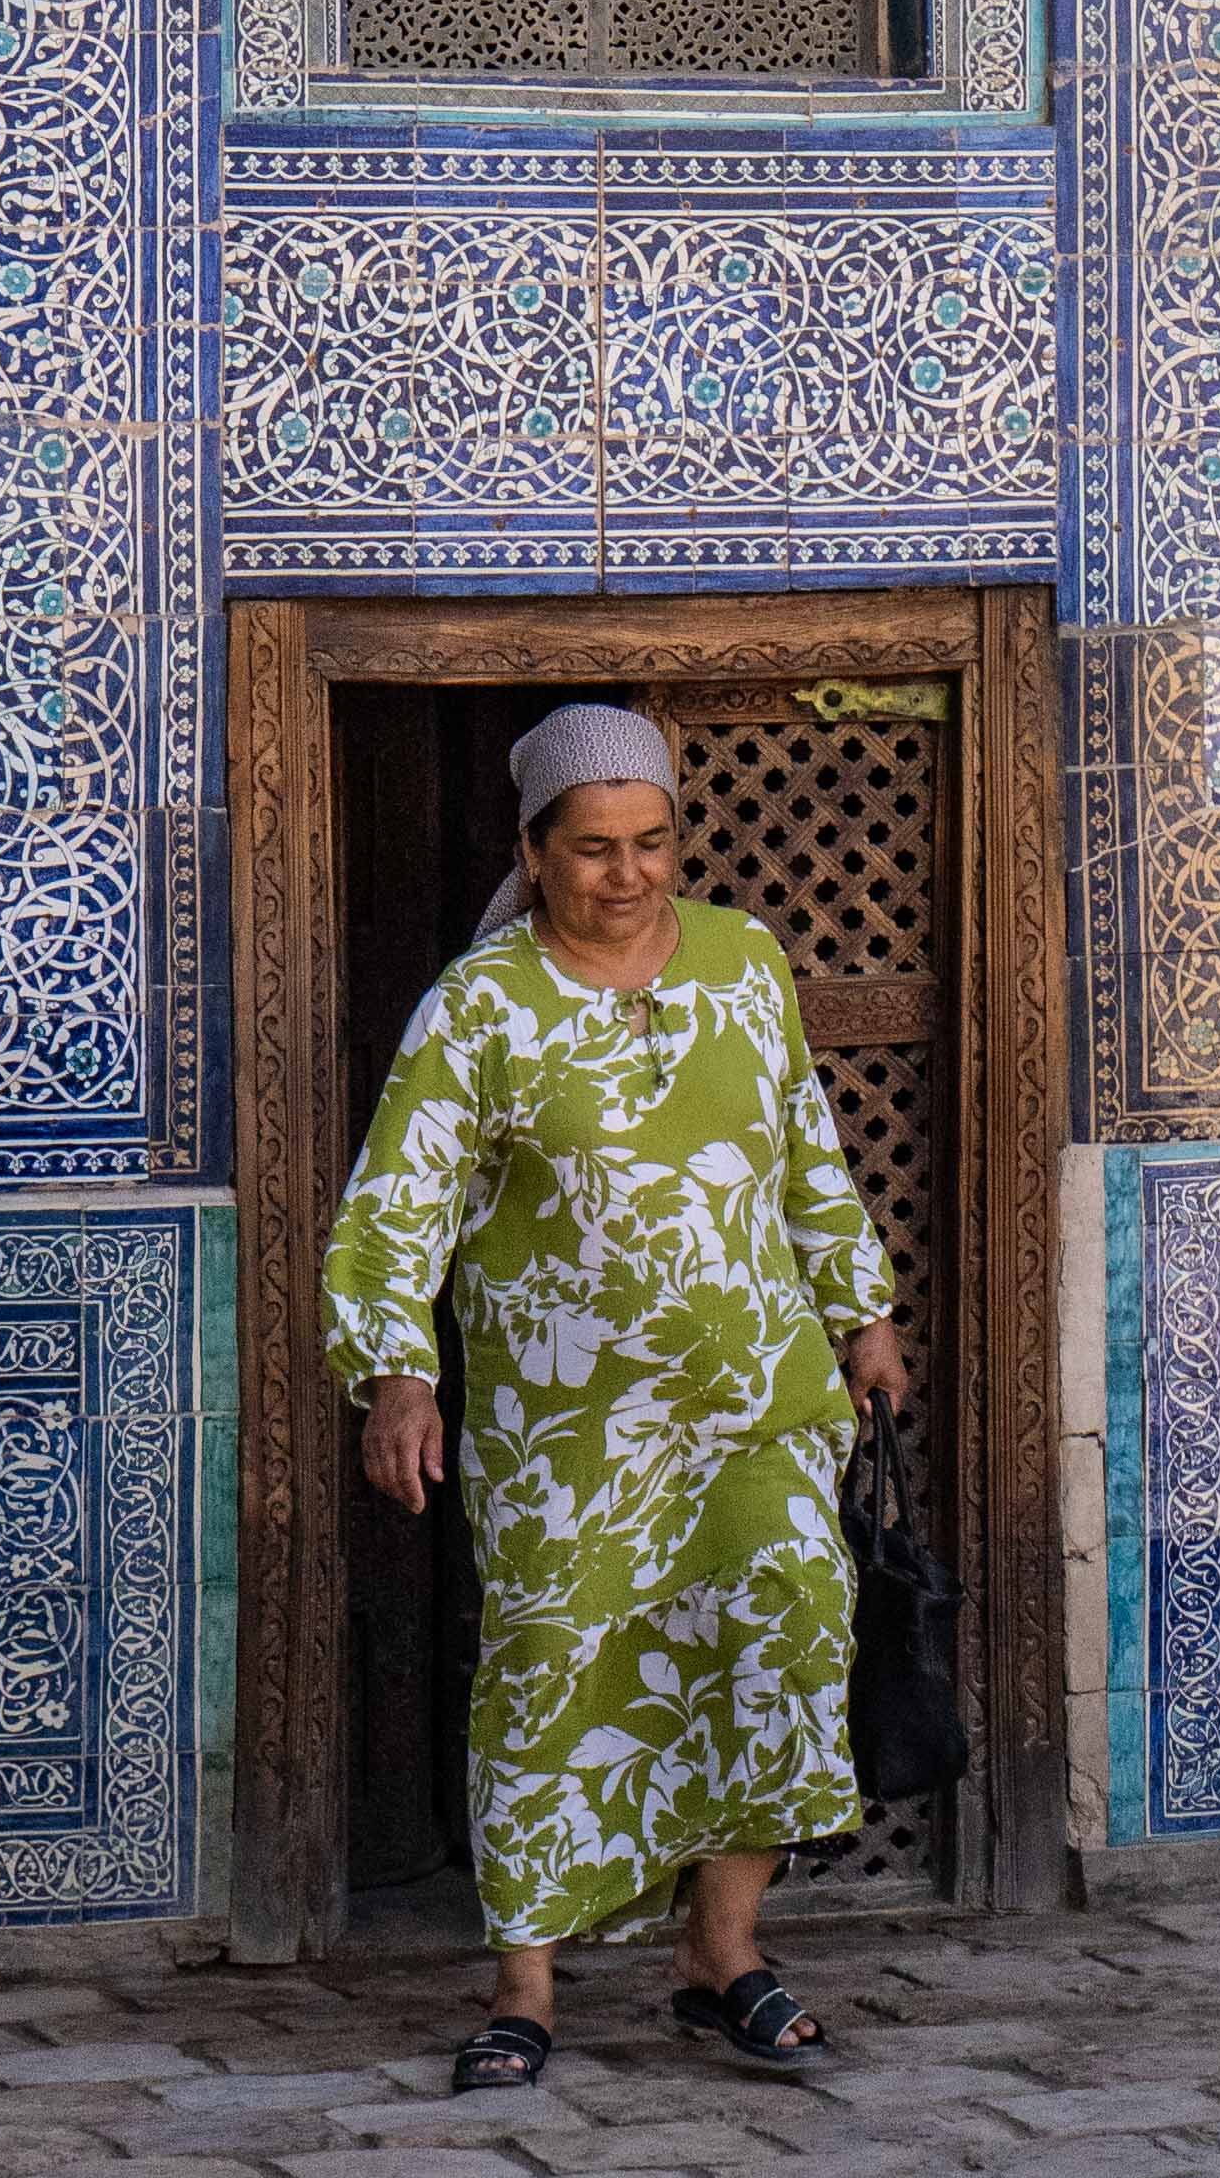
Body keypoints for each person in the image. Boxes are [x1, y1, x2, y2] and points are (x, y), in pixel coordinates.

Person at [322, 701, 911, 2095]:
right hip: (567, 1430)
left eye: (651, 842)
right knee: (550, 1674)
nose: (629, 872)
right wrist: (396, 1371)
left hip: (757, 1401)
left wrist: (863, 1317)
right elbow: (398, 1206)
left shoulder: (744, 959)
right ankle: (523, 1988)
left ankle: (722, 1957)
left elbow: (803, 1157)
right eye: (593, 849)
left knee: (780, 1640)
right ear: (533, 852)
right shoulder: (479, 1009)